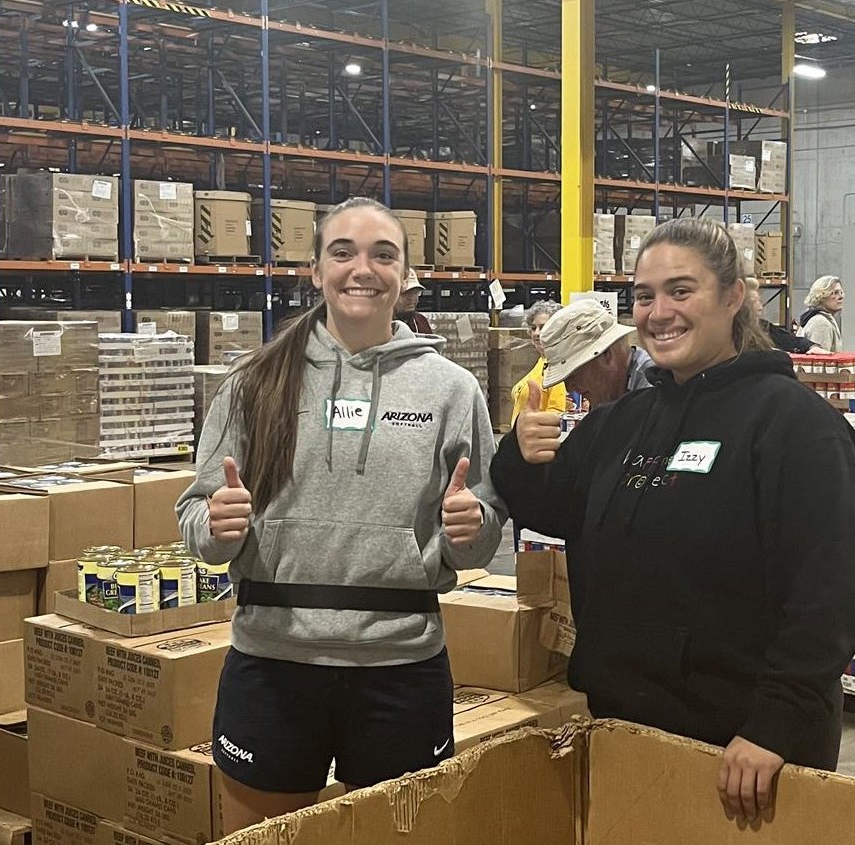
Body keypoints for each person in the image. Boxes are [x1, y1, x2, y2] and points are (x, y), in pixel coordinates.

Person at [491, 218, 855, 825]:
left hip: (742, 753)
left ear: (733, 296)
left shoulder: (796, 427)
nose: (659, 312)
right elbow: (558, 513)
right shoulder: (623, 422)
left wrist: (774, 724)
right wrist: (519, 456)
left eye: (681, 291)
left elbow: (829, 592)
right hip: (626, 728)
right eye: (644, 296)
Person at [177, 197, 506, 831]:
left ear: (405, 274)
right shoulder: (255, 381)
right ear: (315, 268)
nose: (364, 269)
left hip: (400, 665)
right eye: (343, 252)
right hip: (274, 661)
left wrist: (474, 530)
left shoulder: (449, 390)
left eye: (384, 255)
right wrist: (216, 527)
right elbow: (198, 516)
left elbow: (480, 528)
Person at [537, 298, 655, 407]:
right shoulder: (608, 392)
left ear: (606, 354)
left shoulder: (656, 390)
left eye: (573, 375)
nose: (569, 388)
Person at [510, 299, 570, 418]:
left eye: (543, 327)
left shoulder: (557, 367)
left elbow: (555, 413)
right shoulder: (542, 362)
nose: (536, 333)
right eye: (533, 328)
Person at [745, 279, 822, 354]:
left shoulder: (763, 326)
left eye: (760, 301)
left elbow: (788, 339)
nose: (760, 306)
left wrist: (811, 346)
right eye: (753, 301)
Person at [797, 275, 845, 353]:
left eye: (841, 292)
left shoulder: (817, 318)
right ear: (821, 296)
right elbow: (820, 361)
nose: (841, 297)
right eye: (835, 293)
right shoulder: (820, 323)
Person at [394, 268, 433, 334]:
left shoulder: (421, 322)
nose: (412, 298)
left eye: (415, 292)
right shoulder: (378, 325)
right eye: (405, 293)